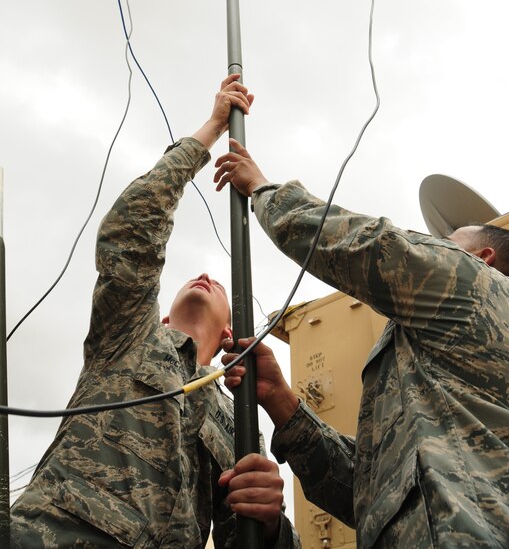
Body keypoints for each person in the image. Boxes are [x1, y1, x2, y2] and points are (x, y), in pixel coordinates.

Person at [10, 78, 299, 549]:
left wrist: (269, 525)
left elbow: (239, 537)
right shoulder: (129, 335)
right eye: (192, 279)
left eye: (218, 283)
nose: (205, 275)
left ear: (229, 329)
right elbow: (131, 229)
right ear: (162, 318)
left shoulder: (239, 419)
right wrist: (211, 129)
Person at [215, 139, 509, 548]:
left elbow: (371, 245)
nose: (434, 249)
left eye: (447, 244)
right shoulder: (444, 363)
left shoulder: (482, 285)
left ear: (484, 258)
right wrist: (281, 400)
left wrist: (262, 189)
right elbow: (371, 493)